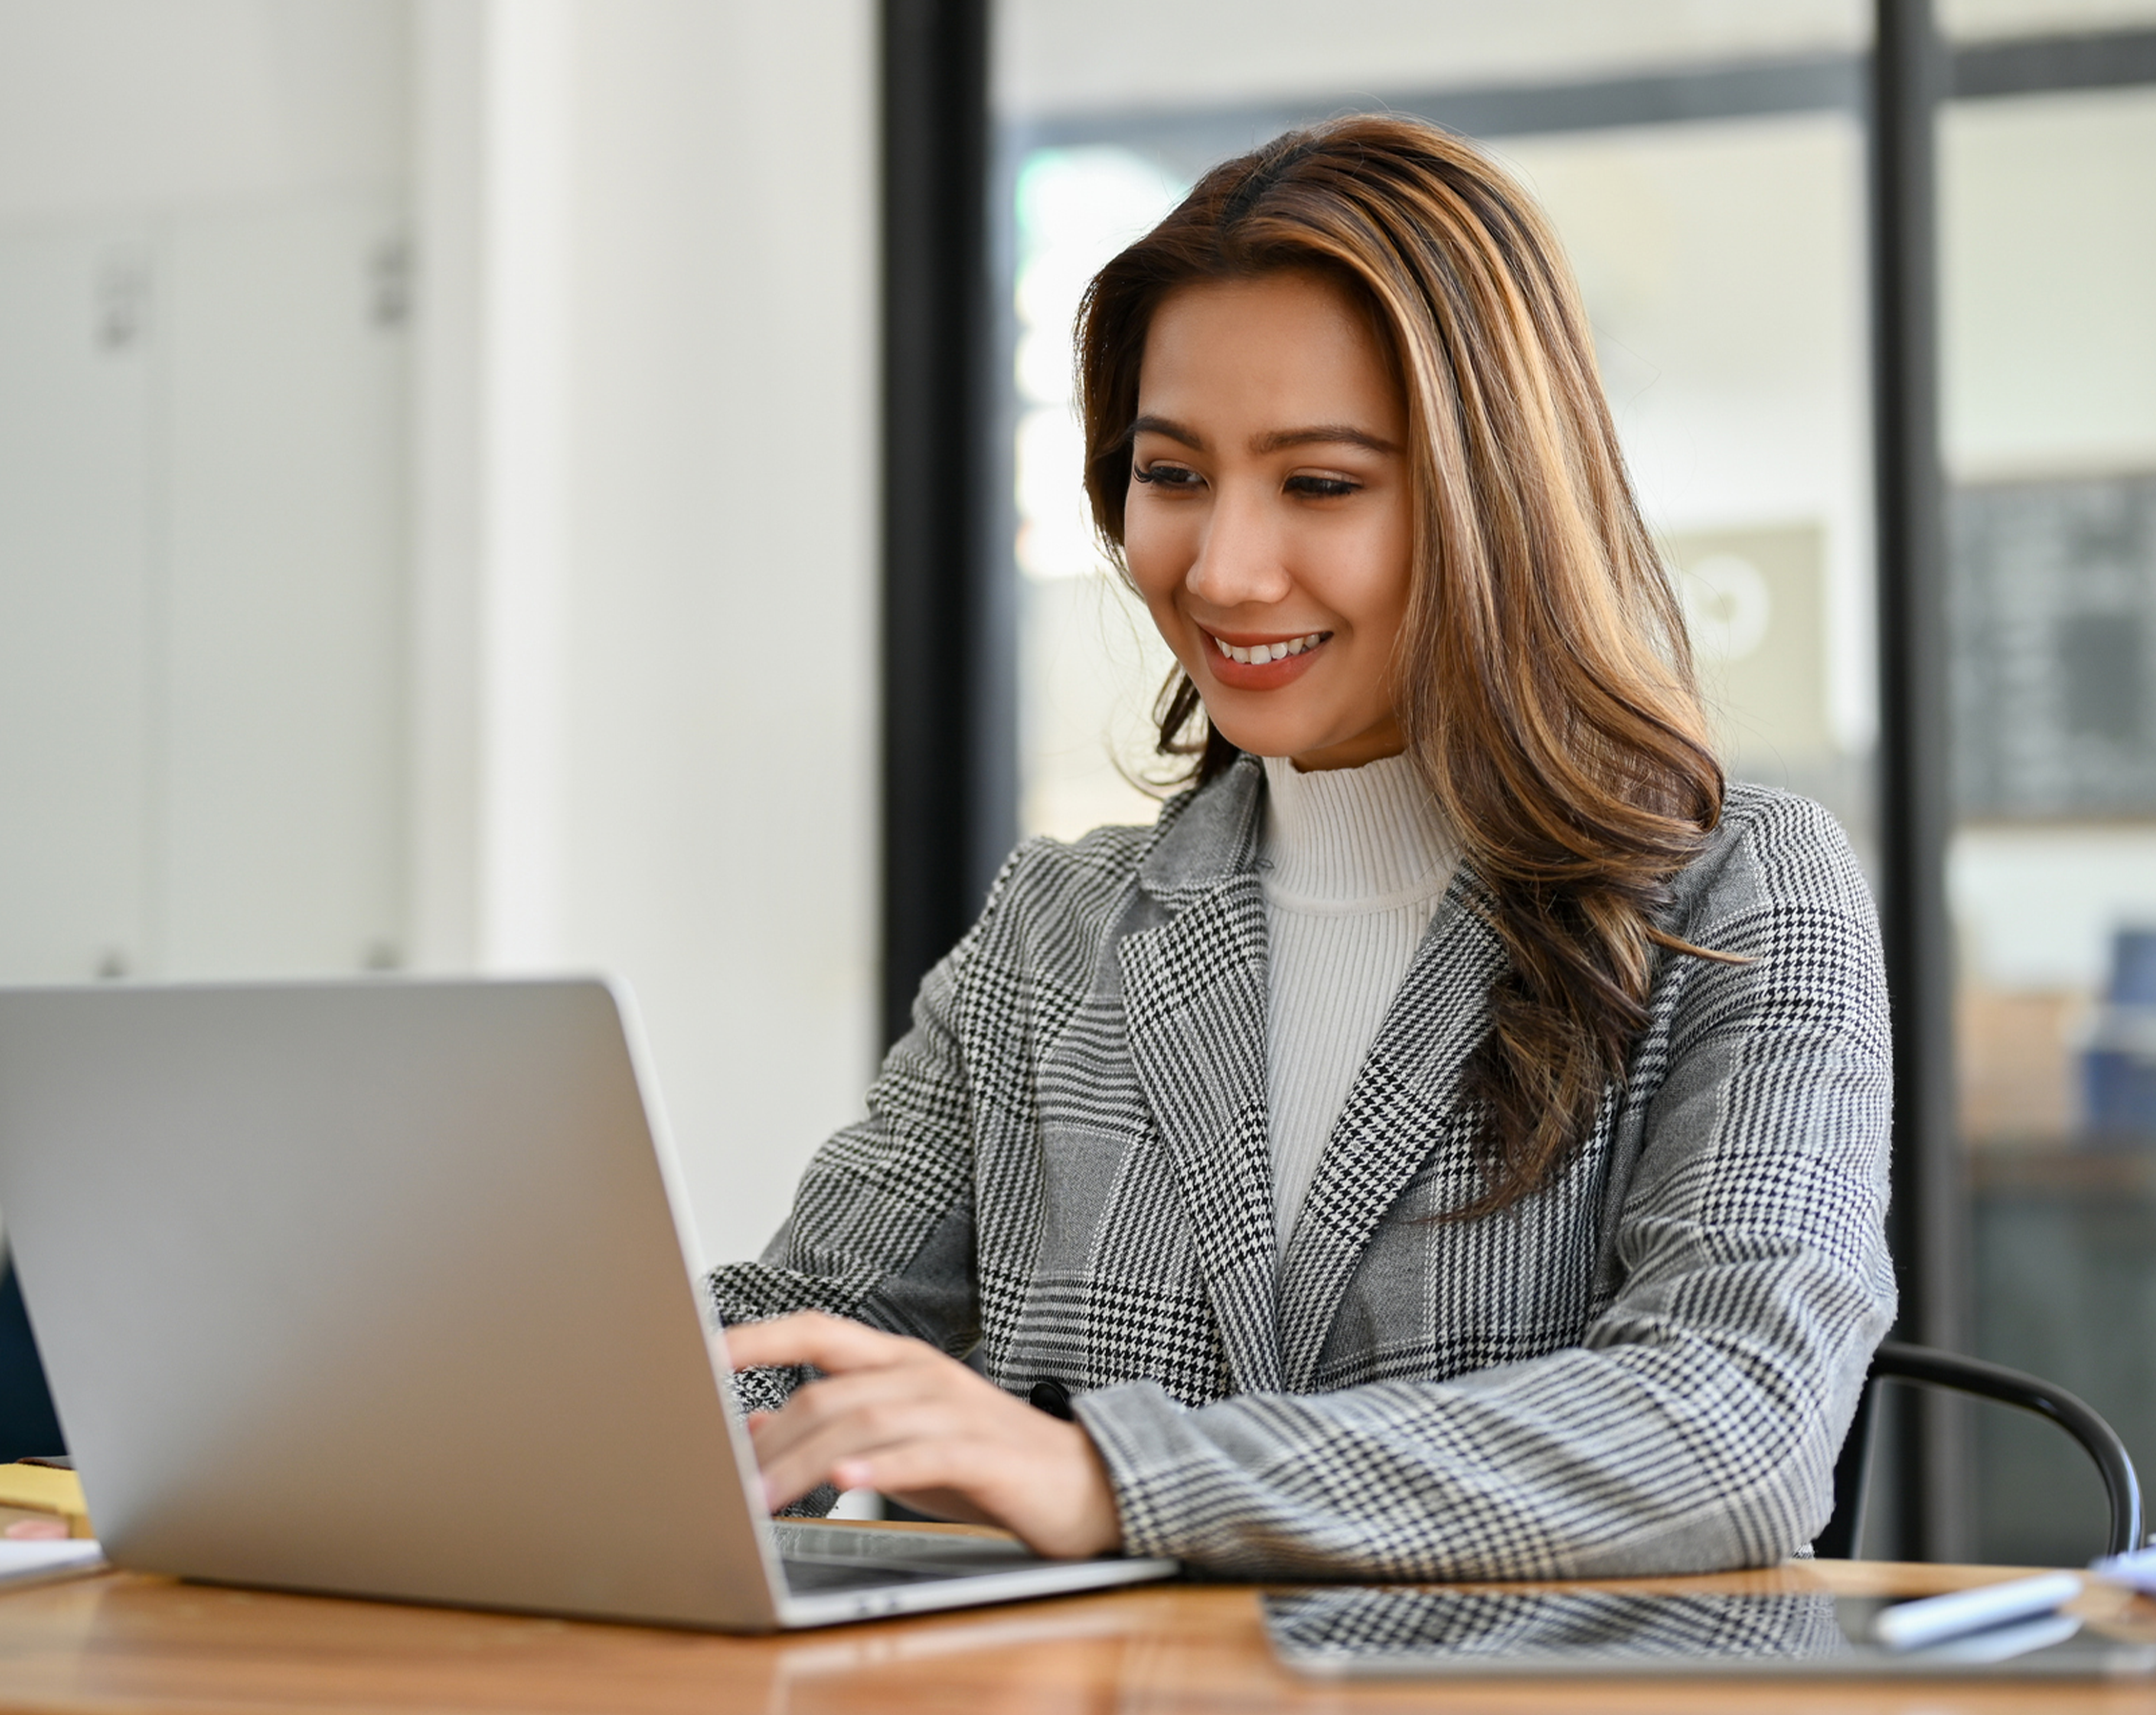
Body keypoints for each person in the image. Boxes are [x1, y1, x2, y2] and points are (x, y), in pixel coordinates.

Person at [708, 116, 1894, 1581]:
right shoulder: (1058, 929)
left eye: (1320, 485)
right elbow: (805, 1325)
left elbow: (1734, 1427)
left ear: (1495, 501)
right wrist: (573, 1413)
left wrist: (1116, 1481)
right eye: (1174, 476)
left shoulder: (1737, 892)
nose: (1222, 570)